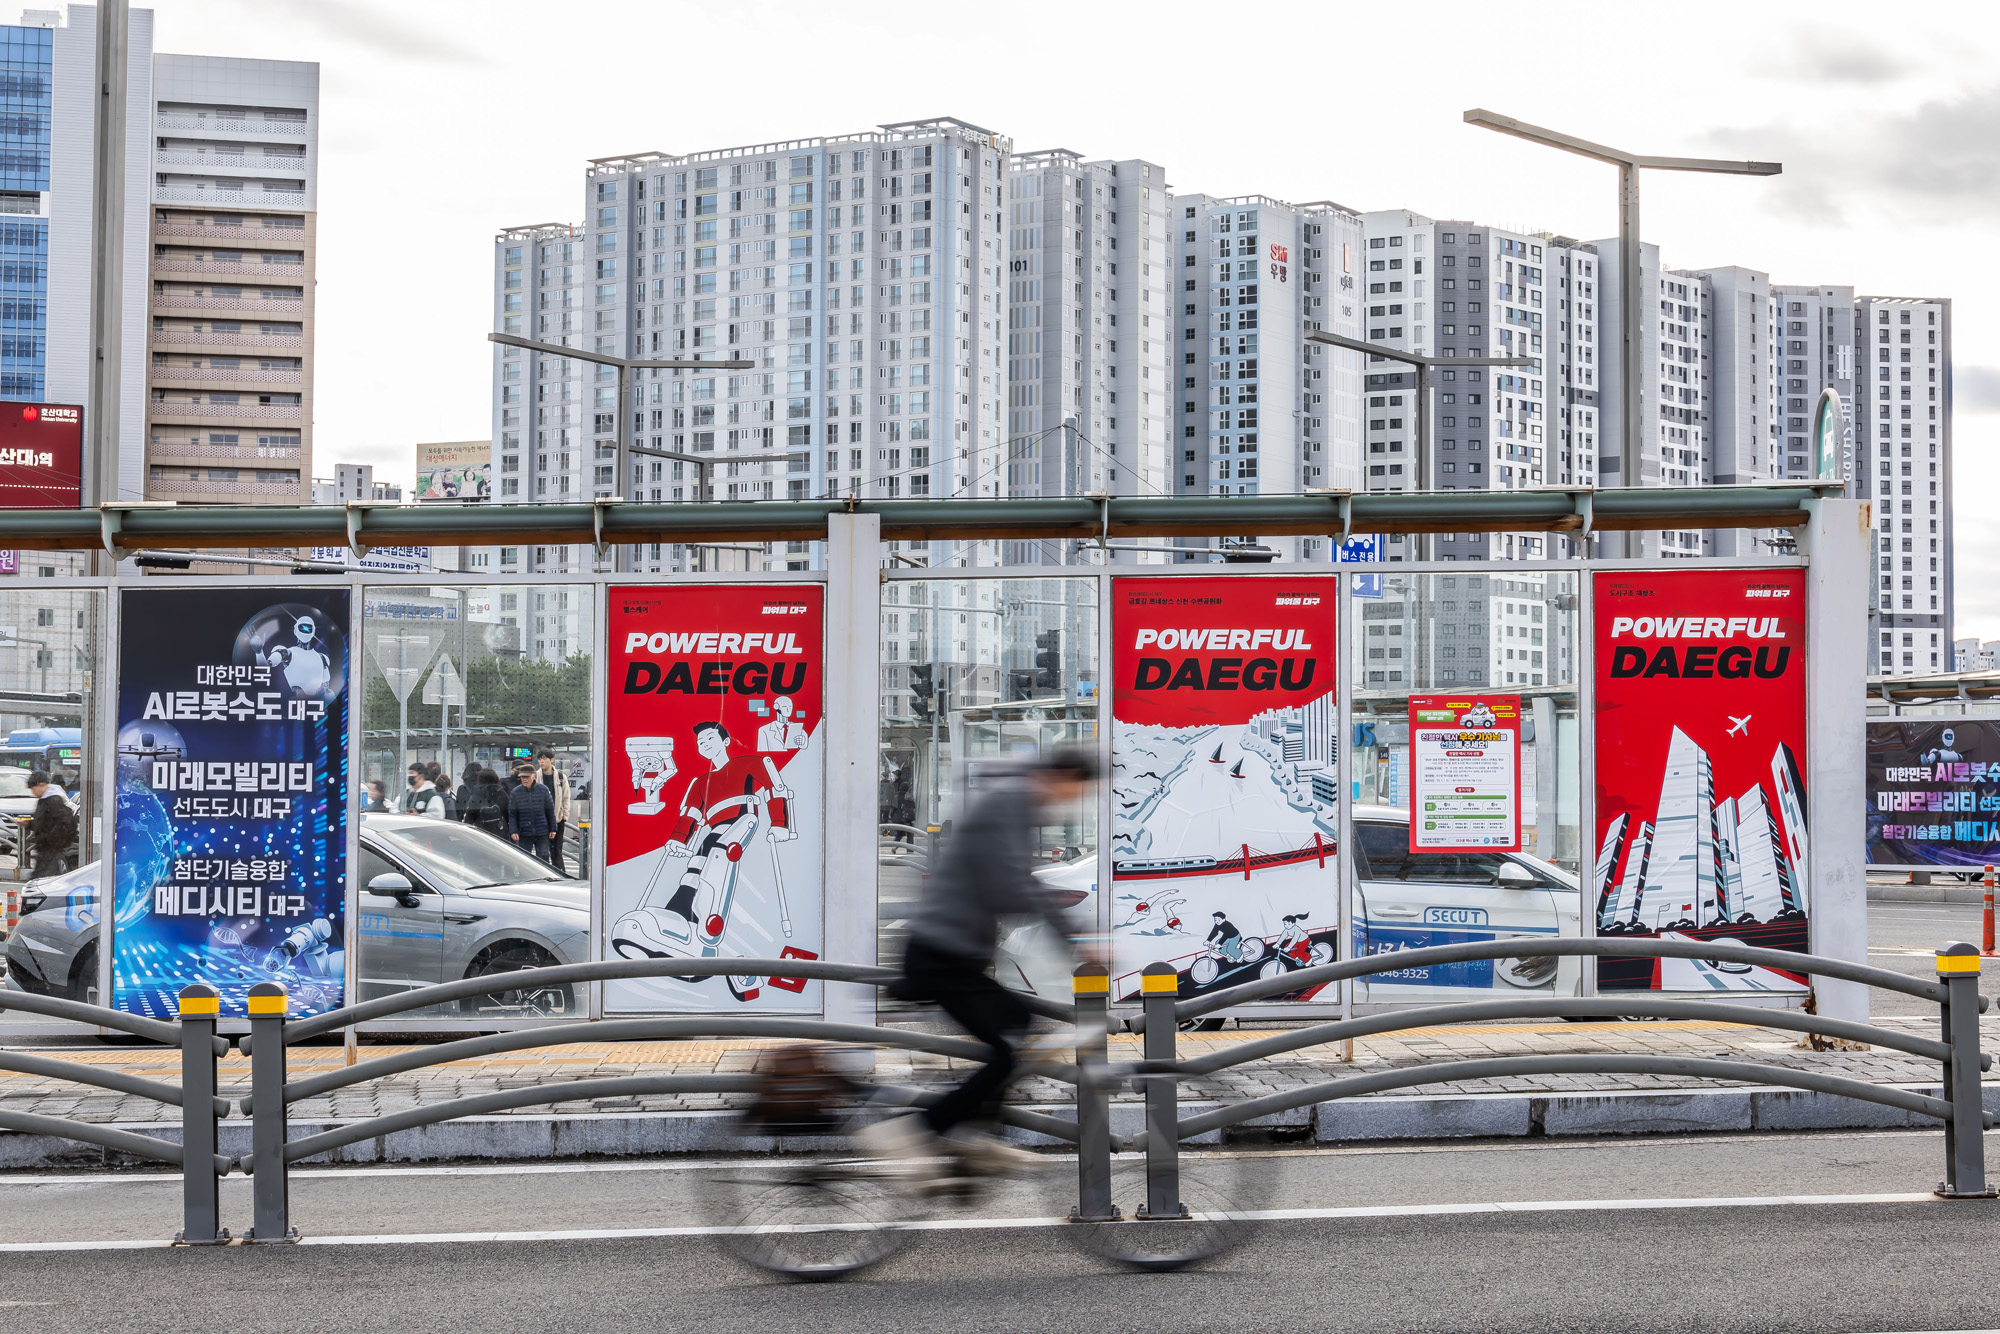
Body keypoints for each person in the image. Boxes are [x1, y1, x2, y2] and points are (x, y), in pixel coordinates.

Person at [860, 747, 1100, 1175]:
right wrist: (1076, 941)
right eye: (1076, 790)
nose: (1071, 801)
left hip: (951, 953)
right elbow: (1007, 887)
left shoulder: (1013, 805)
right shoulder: (1007, 805)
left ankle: (973, 1136)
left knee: (1015, 1030)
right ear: (1063, 777)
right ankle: (920, 1130)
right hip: (941, 954)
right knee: (1009, 1045)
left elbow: (1010, 885)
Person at [24, 771, 76, 880]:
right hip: (46, 847)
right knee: (45, 877)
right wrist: (28, 824)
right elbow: (42, 823)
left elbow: (58, 824)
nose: (33, 792)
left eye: (33, 788)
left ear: (41, 784)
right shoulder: (44, 800)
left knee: (43, 877)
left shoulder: (53, 801)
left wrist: (50, 840)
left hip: (50, 847)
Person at [506, 761, 556, 862]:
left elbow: (550, 811)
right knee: (524, 858)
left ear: (534, 776)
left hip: (542, 831)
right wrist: (513, 830)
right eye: (522, 777)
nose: (524, 779)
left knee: (543, 856)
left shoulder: (543, 790)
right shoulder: (515, 792)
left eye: (527, 777)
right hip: (524, 831)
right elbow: (512, 814)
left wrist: (553, 828)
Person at [538, 750, 571, 874]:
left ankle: (560, 874)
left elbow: (566, 797)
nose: (541, 761)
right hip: (541, 820)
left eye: (544, 758)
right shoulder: (535, 776)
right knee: (543, 851)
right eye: (539, 759)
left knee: (557, 851)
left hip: (557, 819)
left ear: (552, 760)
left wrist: (565, 815)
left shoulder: (561, 777)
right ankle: (545, 874)